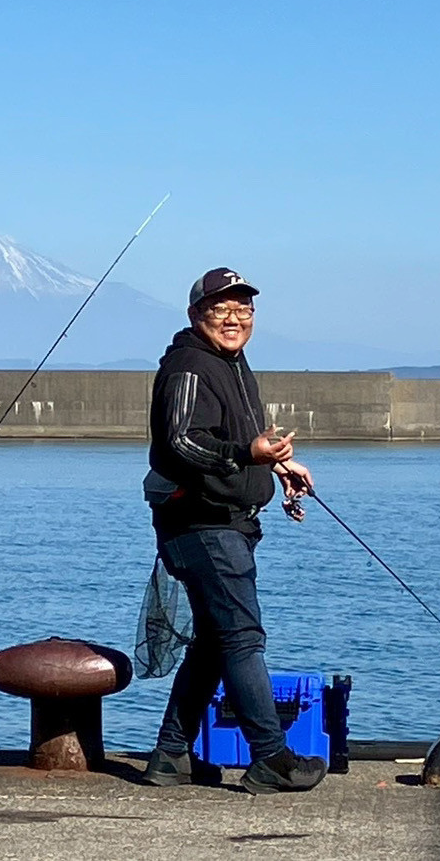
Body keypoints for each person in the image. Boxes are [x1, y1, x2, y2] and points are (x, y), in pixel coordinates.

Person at [140, 267, 327, 794]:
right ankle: (271, 757)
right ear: (196, 314)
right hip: (201, 525)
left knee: (212, 641)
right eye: (221, 309)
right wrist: (249, 453)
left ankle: (170, 756)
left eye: (243, 309)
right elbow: (180, 444)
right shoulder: (189, 367)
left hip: (228, 524)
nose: (233, 318)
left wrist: (278, 465)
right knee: (243, 639)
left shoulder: (233, 363)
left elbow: (241, 441)